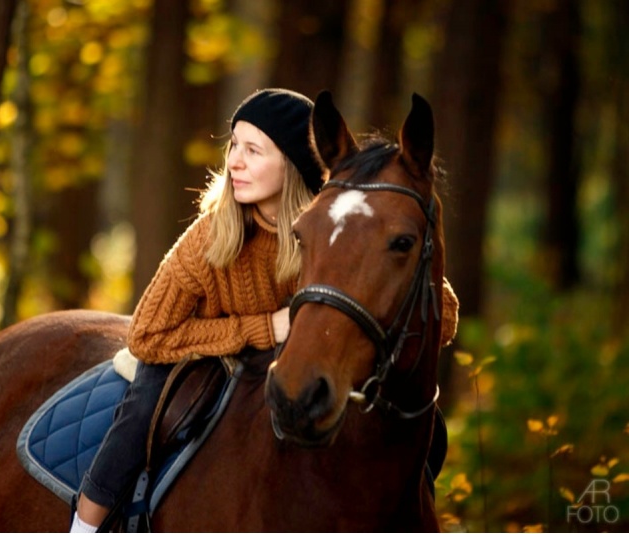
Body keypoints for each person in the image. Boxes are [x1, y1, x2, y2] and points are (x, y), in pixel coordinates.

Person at [71, 88, 460, 532]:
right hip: (189, 351)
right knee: (139, 415)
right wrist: (265, 327)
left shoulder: (331, 226)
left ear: (293, 162)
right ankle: (86, 523)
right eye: (233, 145)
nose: (234, 161)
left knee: (430, 427)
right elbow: (146, 336)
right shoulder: (209, 237)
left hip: (291, 359)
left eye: (252, 150)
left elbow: (441, 315)